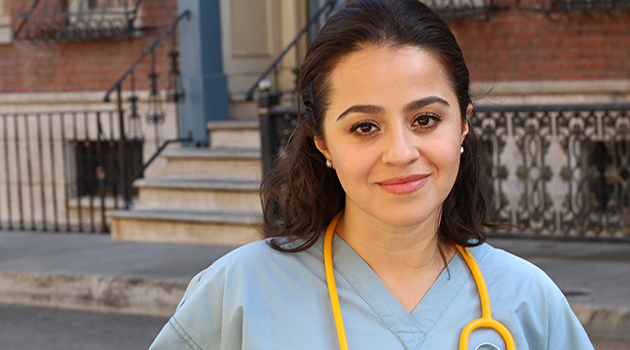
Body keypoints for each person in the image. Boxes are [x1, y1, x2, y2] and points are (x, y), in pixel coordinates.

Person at [149, 0, 595, 348]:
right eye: (365, 127)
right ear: (323, 143)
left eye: (425, 119)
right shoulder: (240, 294)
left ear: (463, 123)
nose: (400, 153)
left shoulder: (529, 300)